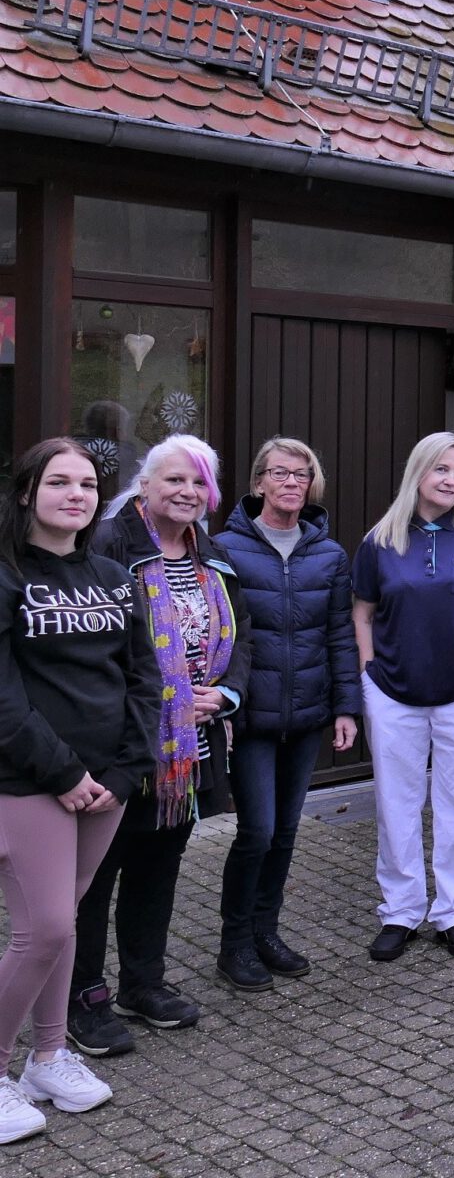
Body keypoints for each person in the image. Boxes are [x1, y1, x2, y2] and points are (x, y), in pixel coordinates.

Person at [69, 436, 251, 1057]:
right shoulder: (107, 547)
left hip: (189, 751)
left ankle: (141, 983)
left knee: (158, 867)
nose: (188, 493)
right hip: (122, 748)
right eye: (175, 480)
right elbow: (92, 656)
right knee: (94, 878)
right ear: (144, 485)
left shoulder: (213, 551)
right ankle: (82, 1000)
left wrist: (226, 695)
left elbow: (241, 633)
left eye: (199, 483)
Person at [0, 441, 159, 1141]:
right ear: (27, 491)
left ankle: (48, 1057)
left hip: (107, 785)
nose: (77, 494)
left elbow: (144, 680)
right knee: (47, 929)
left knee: (63, 917)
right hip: (29, 781)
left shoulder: (114, 575)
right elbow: (2, 700)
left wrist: (127, 771)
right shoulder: (5, 576)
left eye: (89, 484)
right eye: (59, 482)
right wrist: (64, 774)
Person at [352, 433, 454, 962]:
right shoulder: (380, 540)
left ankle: (453, 910)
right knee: (396, 803)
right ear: (418, 472)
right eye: (442, 469)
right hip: (394, 692)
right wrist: (367, 672)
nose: (452, 480)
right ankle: (400, 910)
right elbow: (362, 613)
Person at [214, 438, 360, 993]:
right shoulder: (224, 548)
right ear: (258, 484)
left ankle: (265, 933)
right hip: (249, 716)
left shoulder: (329, 554)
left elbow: (341, 635)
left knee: (286, 831)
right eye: (280, 474)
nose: (292, 483)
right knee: (256, 830)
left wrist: (346, 707)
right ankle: (233, 945)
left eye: (302, 475)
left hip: (306, 715)